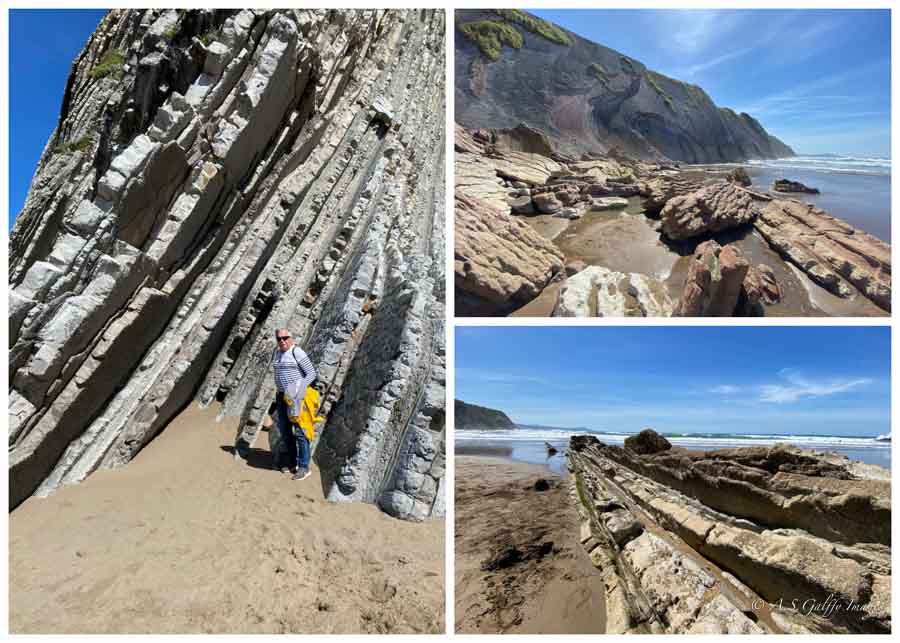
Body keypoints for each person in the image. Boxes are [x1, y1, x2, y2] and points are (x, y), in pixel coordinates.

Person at [272, 328, 317, 480]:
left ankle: (304, 467)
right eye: (279, 338)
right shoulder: (277, 353)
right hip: (281, 397)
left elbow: (311, 373)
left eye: (285, 337)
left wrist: (298, 388)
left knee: (300, 432)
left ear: (291, 338)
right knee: (285, 432)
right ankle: (292, 463)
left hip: (297, 397)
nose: (282, 341)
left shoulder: (296, 352)